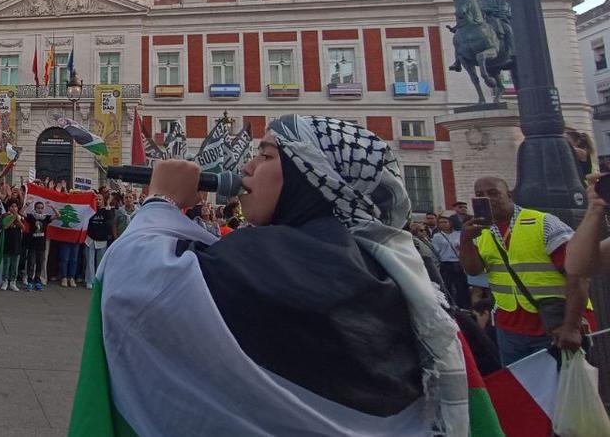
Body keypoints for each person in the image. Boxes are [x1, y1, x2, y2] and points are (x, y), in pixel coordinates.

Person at [74, 115, 467, 435]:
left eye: (265, 155)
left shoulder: (295, 260)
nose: (246, 166)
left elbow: (137, 284)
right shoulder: (393, 269)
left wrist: (160, 202)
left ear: (312, 176)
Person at [458, 176, 591, 366]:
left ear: (509, 195)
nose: (487, 199)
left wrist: (572, 326)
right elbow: (473, 270)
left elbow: (578, 275)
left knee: (563, 390)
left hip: (553, 323)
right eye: (480, 195)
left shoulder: (543, 223)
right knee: (522, 391)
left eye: (494, 193)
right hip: (509, 327)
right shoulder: (481, 231)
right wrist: (466, 239)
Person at [430, 215, 470, 309]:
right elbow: (436, 251)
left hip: (458, 263)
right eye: (441, 222)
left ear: (450, 223)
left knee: (461, 286)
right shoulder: (437, 236)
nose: (443, 224)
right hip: (446, 263)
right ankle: (450, 305)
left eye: (445, 222)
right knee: (447, 286)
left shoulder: (459, 234)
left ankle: (462, 305)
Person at [83, 200, 112, 288]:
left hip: (102, 238)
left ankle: (99, 280)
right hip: (90, 238)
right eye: (96, 199)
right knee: (89, 261)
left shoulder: (106, 211)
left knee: (100, 262)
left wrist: (107, 206)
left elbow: (109, 221)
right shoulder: (90, 210)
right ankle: (89, 280)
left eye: (100, 199)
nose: (98, 201)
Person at [24, 201, 51, 291]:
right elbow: (20, 212)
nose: (39, 209)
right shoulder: (31, 217)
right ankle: (30, 281)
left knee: (40, 264)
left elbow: (58, 215)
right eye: (38, 208)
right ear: (35, 208)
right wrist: (27, 204)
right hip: (32, 244)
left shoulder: (45, 218)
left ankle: (38, 281)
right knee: (31, 264)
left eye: (41, 208)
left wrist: (52, 207)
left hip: (41, 245)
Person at [0, 201, 25, 291]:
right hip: (7, 242)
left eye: (15, 206)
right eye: (12, 206)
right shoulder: (5, 216)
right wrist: (13, 216)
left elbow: (23, 228)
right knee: (7, 263)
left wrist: (17, 218)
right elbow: (5, 226)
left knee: (15, 264)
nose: (14, 208)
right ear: (9, 207)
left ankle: (13, 281)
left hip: (16, 243)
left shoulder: (20, 217)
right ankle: (5, 280)